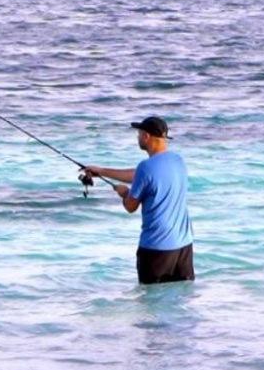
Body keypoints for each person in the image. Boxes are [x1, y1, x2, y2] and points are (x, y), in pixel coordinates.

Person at [81, 116, 194, 285]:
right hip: (183, 247)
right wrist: (102, 171)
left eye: (139, 133)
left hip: (156, 250)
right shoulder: (178, 161)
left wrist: (124, 192)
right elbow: (142, 176)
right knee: (179, 303)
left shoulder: (146, 167)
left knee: (152, 306)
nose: (137, 137)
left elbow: (130, 206)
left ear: (146, 136)